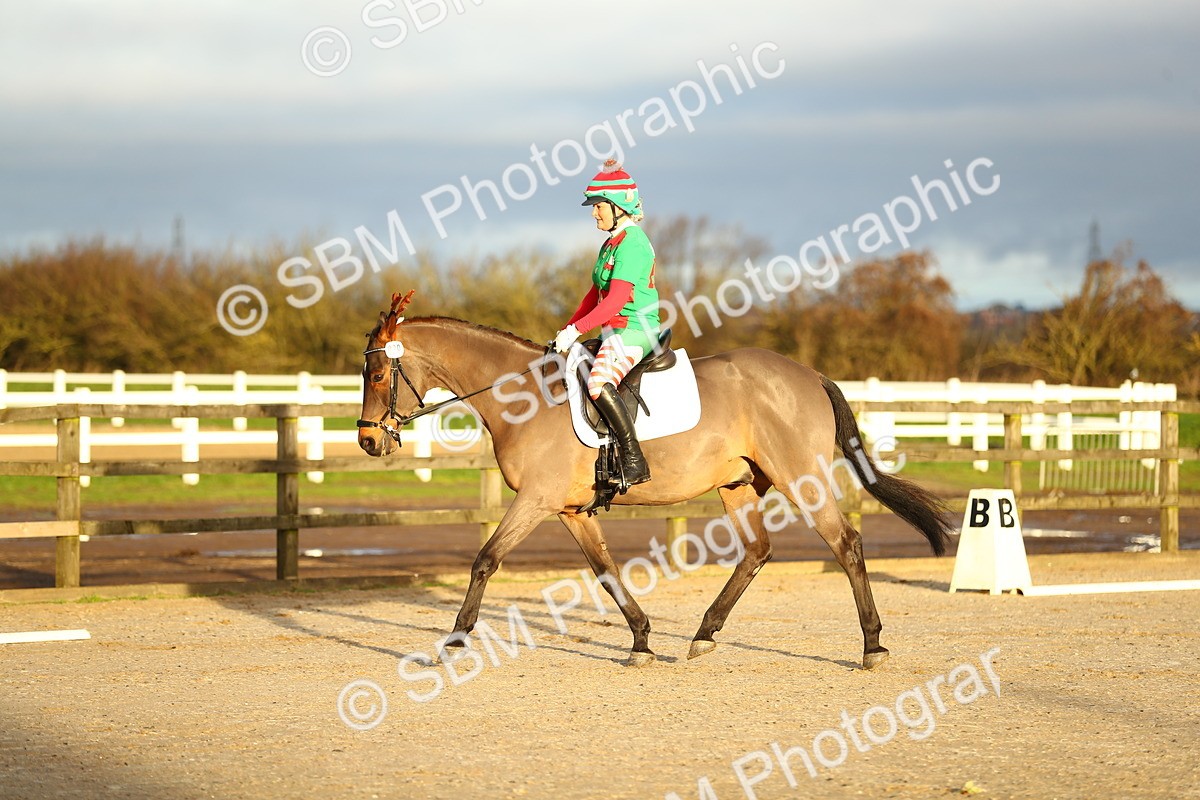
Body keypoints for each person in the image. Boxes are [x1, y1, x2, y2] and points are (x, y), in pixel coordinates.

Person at [553, 159, 660, 489]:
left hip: (635, 330)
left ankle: (633, 460)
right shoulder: (611, 243)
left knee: (598, 384)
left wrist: (577, 331)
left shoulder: (633, 243)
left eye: (598, 206)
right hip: (614, 330)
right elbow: (593, 296)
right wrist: (566, 331)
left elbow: (615, 300)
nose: (594, 213)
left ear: (618, 207)